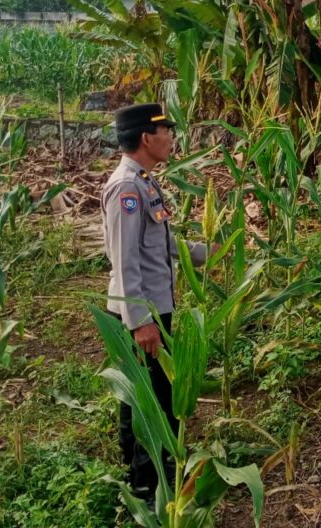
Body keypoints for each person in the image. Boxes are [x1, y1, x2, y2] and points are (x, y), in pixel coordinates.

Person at [101, 103, 209, 505]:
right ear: (147, 137)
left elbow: (160, 244)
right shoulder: (127, 190)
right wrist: (141, 321)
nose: (171, 138)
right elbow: (125, 261)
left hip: (154, 308)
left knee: (151, 395)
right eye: (166, 132)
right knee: (147, 399)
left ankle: (151, 470)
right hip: (140, 312)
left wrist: (203, 253)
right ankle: (145, 486)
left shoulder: (144, 182)